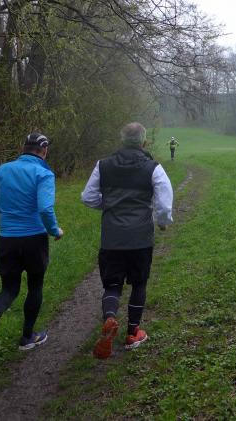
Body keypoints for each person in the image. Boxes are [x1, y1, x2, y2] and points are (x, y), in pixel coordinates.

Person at [81, 122, 173, 359]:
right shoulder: (153, 167)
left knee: (112, 285)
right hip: (140, 238)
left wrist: (109, 206)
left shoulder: (103, 165)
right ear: (144, 142)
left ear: (122, 141)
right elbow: (164, 203)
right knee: (139, 284)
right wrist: (162, 221)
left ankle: (110, 317)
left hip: (112, 237)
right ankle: (133, 333)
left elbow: (88, 197)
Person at [0, 133, 64, 353]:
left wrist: (9, 211)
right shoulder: (43, 173)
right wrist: (55, 230)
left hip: (8, 239)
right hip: (34, 239)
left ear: (23, 148)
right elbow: (45, 208)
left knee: (9, 288)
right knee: (35, 285)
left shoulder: (3, 169)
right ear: (44, 150)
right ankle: (27, 337)